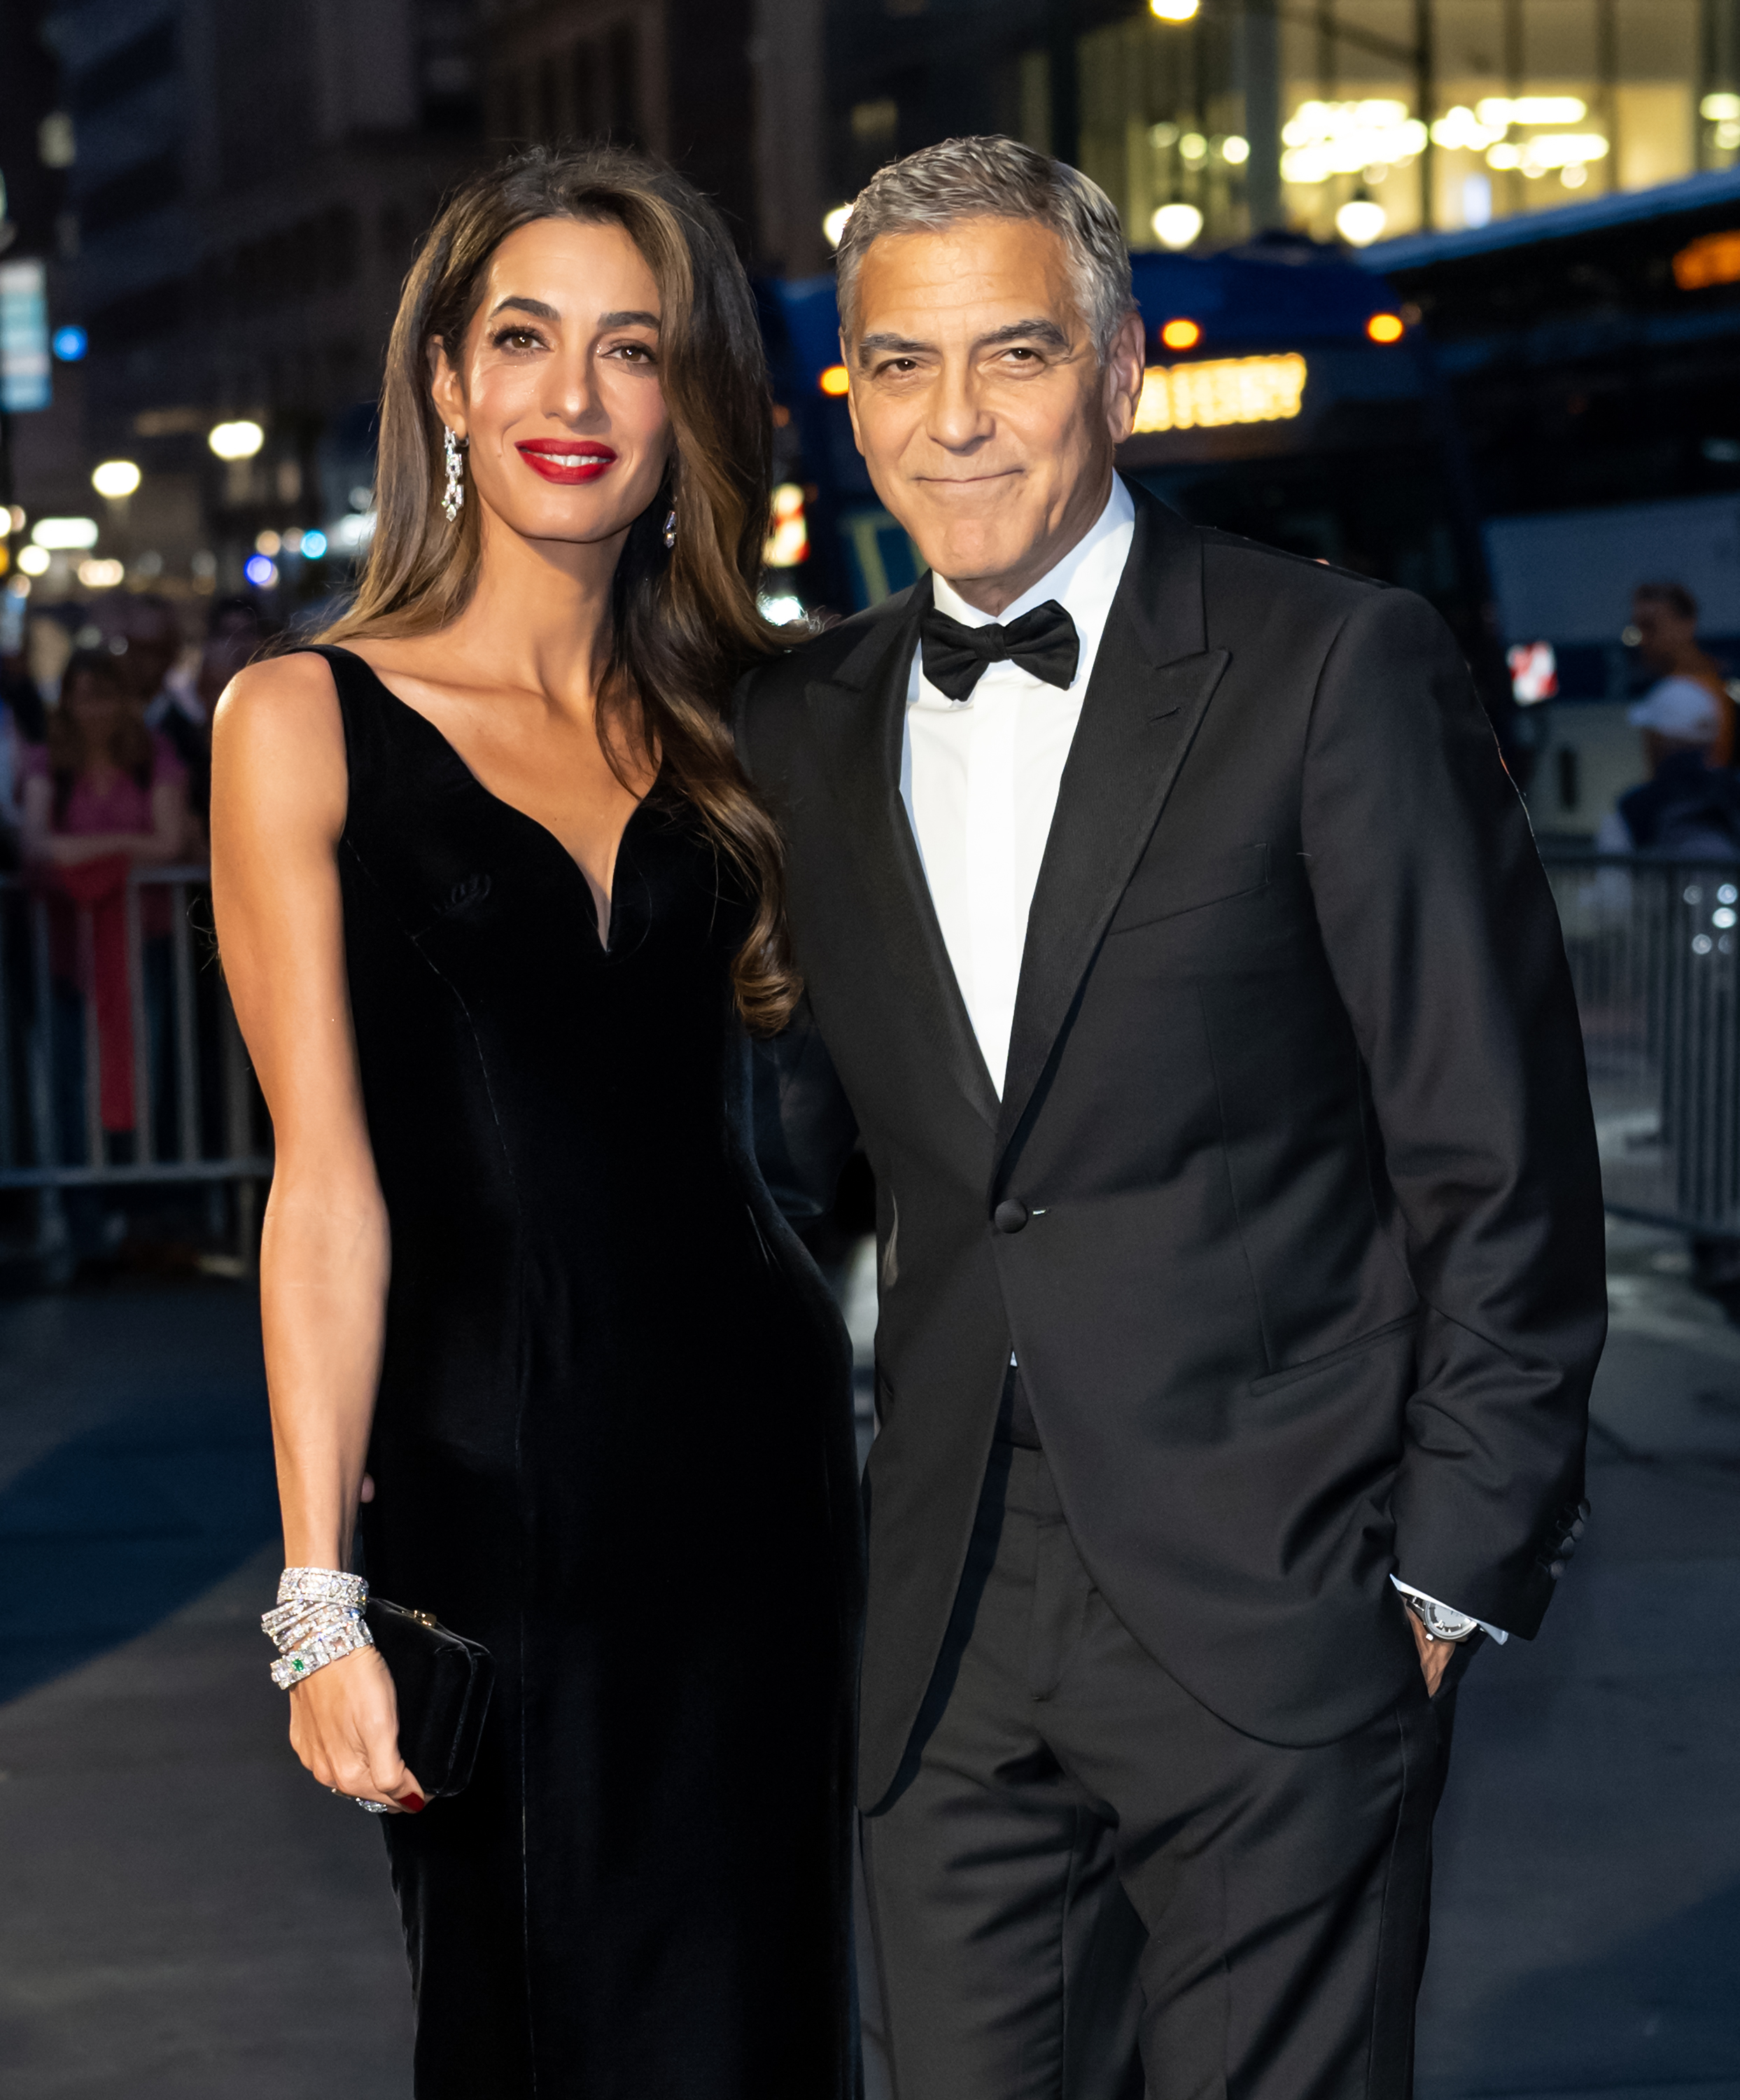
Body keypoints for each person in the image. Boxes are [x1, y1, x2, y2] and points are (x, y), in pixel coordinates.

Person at [740, 137, 1607, 2100]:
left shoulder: (1329, 669)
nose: (950, 422)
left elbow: (1494, 1159)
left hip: (1282, 1588)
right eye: (896, 367)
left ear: (1116, 374)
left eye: (1013, 356)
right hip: (944, 1620)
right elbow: (783, 1178)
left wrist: (1440, 1570)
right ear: (848, 393)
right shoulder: (795, 726)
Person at [209, 146, 860, 2099]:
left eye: (630, 350)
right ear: (443, 388)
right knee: (521, 2015)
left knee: (757, 2012)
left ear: (686, 407)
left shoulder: (750, 731)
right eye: (523, 341)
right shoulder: (299, 720)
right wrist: (316, 1599)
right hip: (480, 1486)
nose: (572, 400)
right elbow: (322, 1189)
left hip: (750, 1465)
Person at [20, 647, 190, 1177]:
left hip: (147, 940)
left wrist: (82, 849)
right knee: (71, 1075)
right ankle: (86, 1209)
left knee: (148, 1069)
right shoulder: (48, 761)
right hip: (68, 946)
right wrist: (125, 848)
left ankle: (139, 1199)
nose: (97, 709)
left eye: (107, 695)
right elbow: (36, 846)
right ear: (67, 702)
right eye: (86, 696)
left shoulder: (153, 754)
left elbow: (169, 843)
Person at [1630, 580, 1734, 768]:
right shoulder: (1660, 689)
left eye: (1650, 627)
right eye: (1638, 628)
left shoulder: (1723, 682)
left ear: (1687, 624)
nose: (1642, 639)